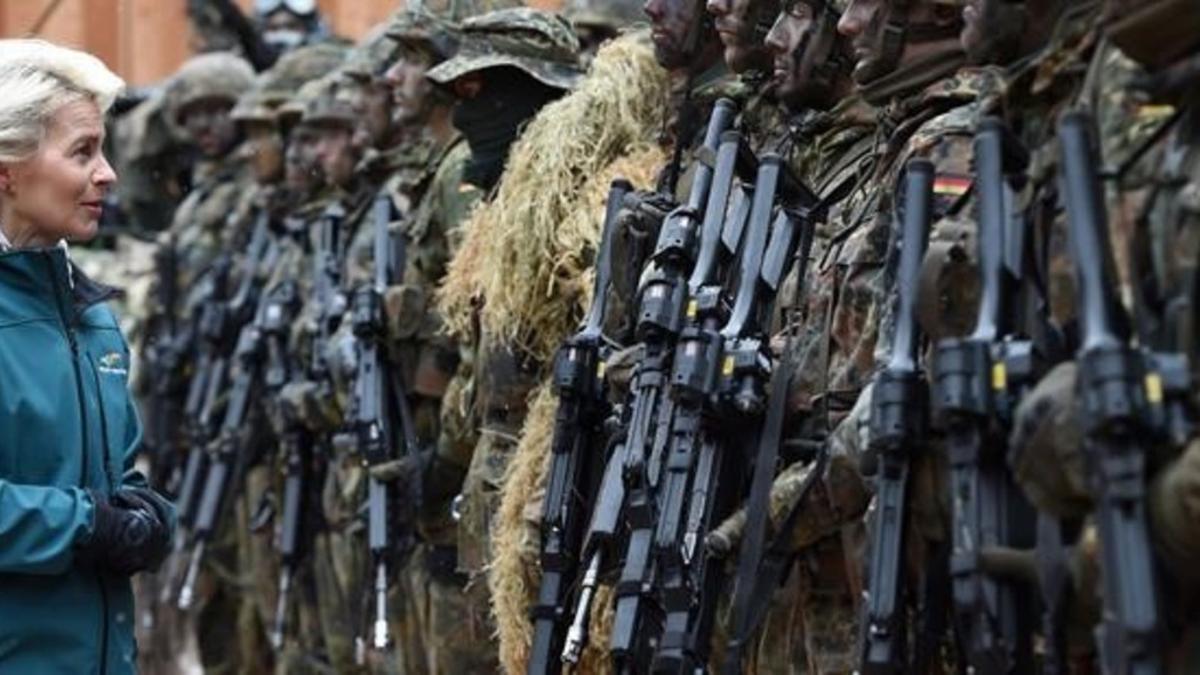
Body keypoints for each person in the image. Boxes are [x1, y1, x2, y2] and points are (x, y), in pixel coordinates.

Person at [0, 38, 175, 674]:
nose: (108, 174)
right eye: (83, 152)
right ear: (7, 170)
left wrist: (147, 512)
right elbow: (89, 516)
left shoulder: (91, 314)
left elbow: (115, 477)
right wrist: (86, 525)